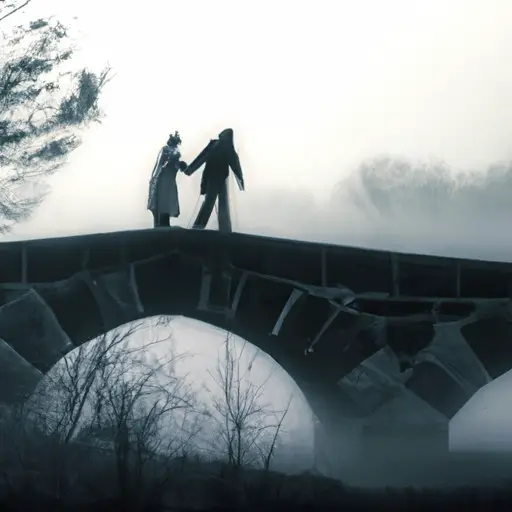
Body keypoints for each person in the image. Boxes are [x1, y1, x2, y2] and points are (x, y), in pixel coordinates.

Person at [184, 128, 244, 232]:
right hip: (215, 178)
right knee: (211, 202)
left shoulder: (217, 145)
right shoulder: (224, 146)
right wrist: (241, 181)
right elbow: (235, 164)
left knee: (213, 202)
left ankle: (206, 226)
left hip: (217, 178)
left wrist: (189, 170)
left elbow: (235, 164)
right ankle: (201, 225)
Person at [147, 131, 188, 227]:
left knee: (161, 209)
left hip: (162, 182)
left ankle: (160, 229)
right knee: (162, 208)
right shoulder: (169, 151)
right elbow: (166, 164)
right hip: (163, 183)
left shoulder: (167, 151)